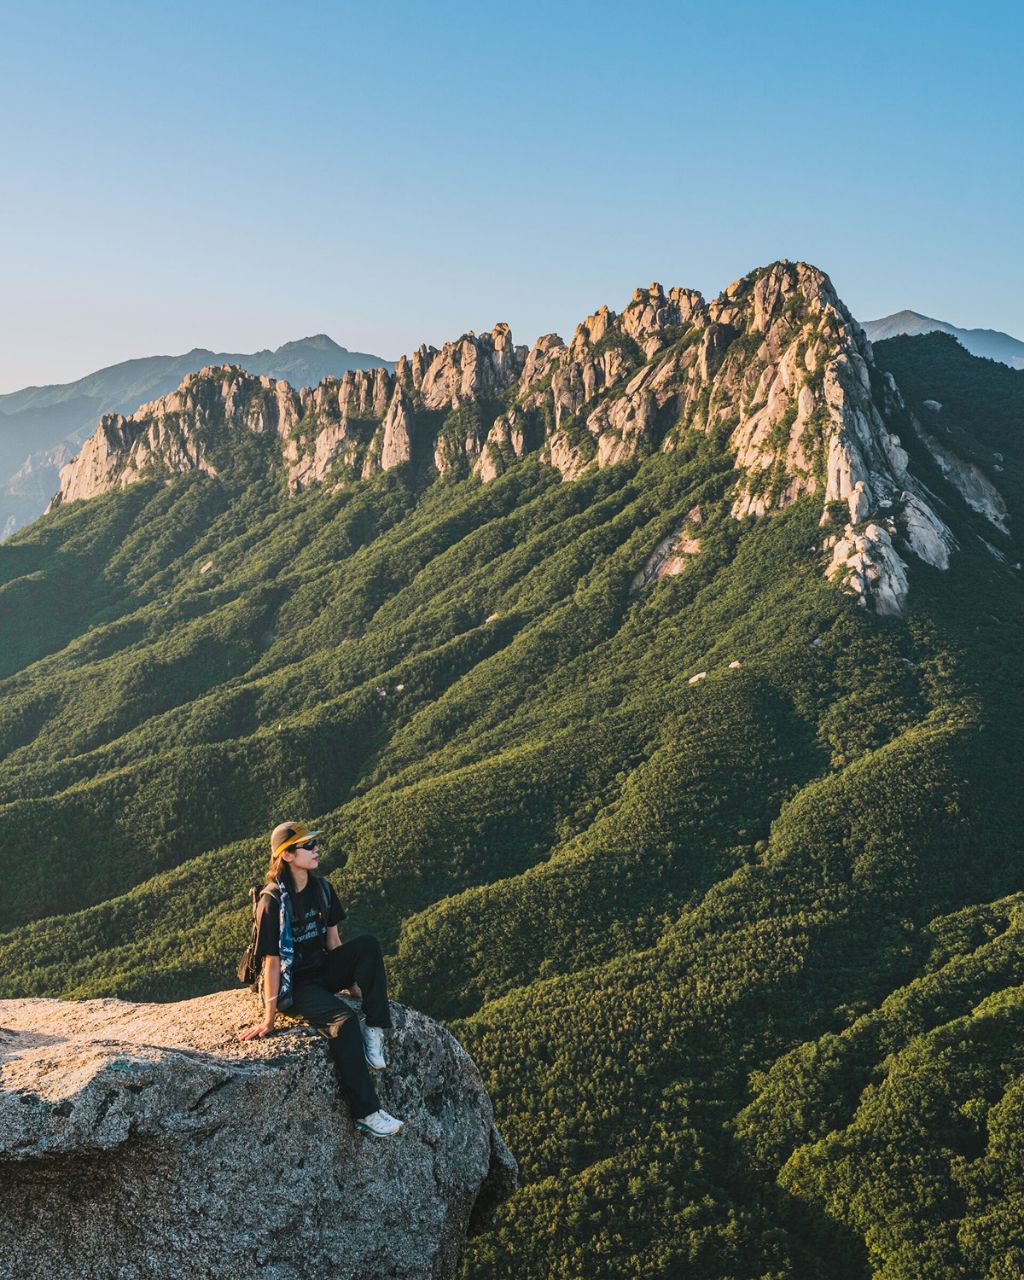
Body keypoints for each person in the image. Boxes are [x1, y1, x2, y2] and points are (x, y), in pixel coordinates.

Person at [238, 820, 404, 1138]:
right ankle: (367, 1113)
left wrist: (354, 984)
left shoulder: (322, 889)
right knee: (342, 1022)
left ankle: (375, 1029)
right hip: (296, 984)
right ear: (287, 855)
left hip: (322, 968)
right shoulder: (272, 901)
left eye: (315, 844)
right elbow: (272, 962)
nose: (316, 850)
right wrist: (269, 1018)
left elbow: (334, 944)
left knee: (368, 945)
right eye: (308, 846)